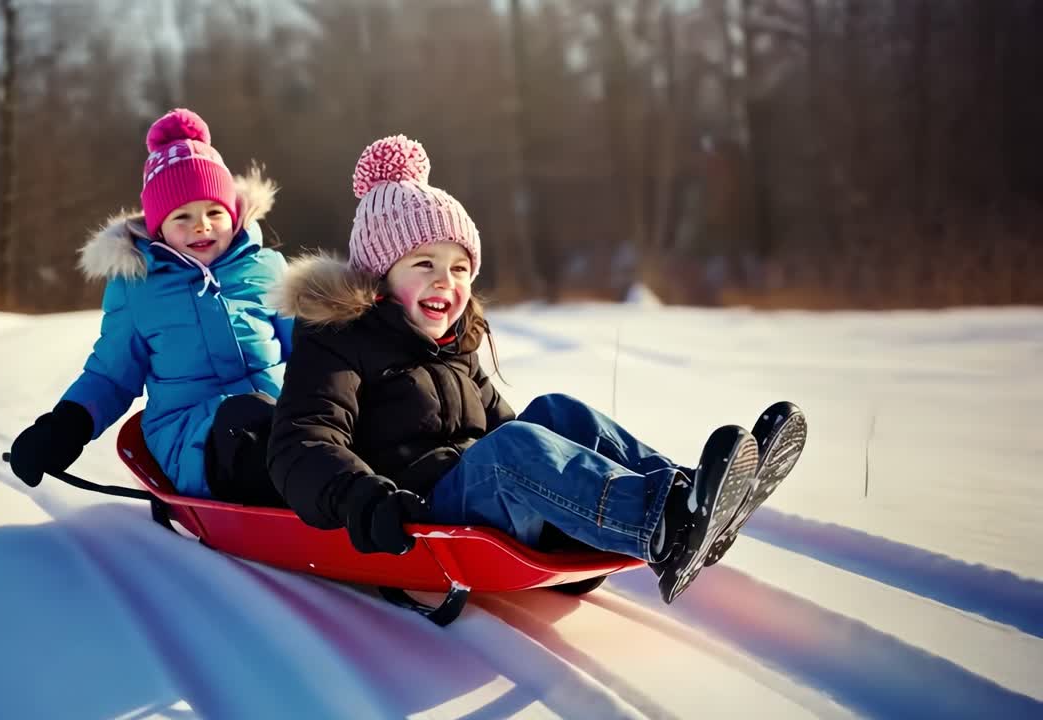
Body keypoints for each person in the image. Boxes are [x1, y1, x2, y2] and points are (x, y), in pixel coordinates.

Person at [266, 135, 806, 603]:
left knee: (555, 412)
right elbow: (301, 445)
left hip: (476, 498)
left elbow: (509, 427)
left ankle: (688, 494)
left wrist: (557, 463)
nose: (446, 282)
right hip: (421, 514)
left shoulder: (452, 344)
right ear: (378, 276)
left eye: (459, 268)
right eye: (423, 264)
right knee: (511, 450)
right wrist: (366, 498)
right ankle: (661, 526)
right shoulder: (339, 341)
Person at [9, 108, 290, 507]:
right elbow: (110, 376)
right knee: (246, 421)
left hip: (285, 426)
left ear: (232, 213)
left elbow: (314, 351)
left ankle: (376, 493)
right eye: (183, 216)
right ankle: (313, 489)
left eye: (214, 212)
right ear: (158, 226)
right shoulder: (138, 289)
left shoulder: (266, 269)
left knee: (327, 423)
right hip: (194, 439)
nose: (202, 226)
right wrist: (63, 428)